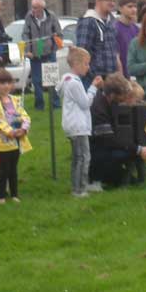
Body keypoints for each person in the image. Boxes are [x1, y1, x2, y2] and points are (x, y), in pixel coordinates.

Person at [90, 73, 146, 188]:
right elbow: (109, 140)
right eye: (123, 95)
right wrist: (138, 149)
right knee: (130, 154)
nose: (125, 98)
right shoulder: (99, 108)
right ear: (112, 95)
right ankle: (97, 177)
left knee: (131, 179)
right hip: (100, 153)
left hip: (111, 147)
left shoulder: (112, 102)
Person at [60, 46, 101, 198]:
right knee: (83, 157)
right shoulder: (74, 83)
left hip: (73, 125)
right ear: (76, 64)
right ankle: (80, 189)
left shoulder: (67, 80)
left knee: (78, 157)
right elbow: (85, 103)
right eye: (86, 64)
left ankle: (78, 186)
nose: (88, 67)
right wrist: (93, 88)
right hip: (78, 126)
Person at [0, 68, 31, 203]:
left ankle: (15, 194)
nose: (5, 86)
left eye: (8, 83)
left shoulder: (15, 100)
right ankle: (1, 196)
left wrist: (23, 129)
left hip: (17, 140)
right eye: (2, 83)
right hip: (3, 142)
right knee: (3, 170)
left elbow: (25, 115)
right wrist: (9, 131)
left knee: (13, 170)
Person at [24, 0, 63, 111]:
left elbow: (59, 34)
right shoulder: (29, 17)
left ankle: (56, 105)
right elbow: (25, 34)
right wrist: (27, 50)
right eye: (32, 7)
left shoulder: (52, 16)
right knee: (37, 81)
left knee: (52, 79)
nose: (33, 10)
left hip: (49, 52)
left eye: (36, 8)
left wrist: (54, 48)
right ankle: (39, 106)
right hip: (35, 54)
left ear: (42, 8)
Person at [75, 0, 119, 79]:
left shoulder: (112, 21)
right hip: (94, 78)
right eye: (109, 0)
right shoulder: (88, 21)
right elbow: (82, 51)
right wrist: (92, 74)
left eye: (114, 1)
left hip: (111, 76)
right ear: (98, 1)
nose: (112, 4)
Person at [113, 0, 140, 77]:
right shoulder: (115, 29)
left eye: (135, 6)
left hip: (136, 75)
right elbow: (116, 56)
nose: (133, 9)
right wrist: (121, 79)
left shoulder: (136, 29)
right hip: (123, 75)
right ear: (120, 9)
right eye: (130, 6)